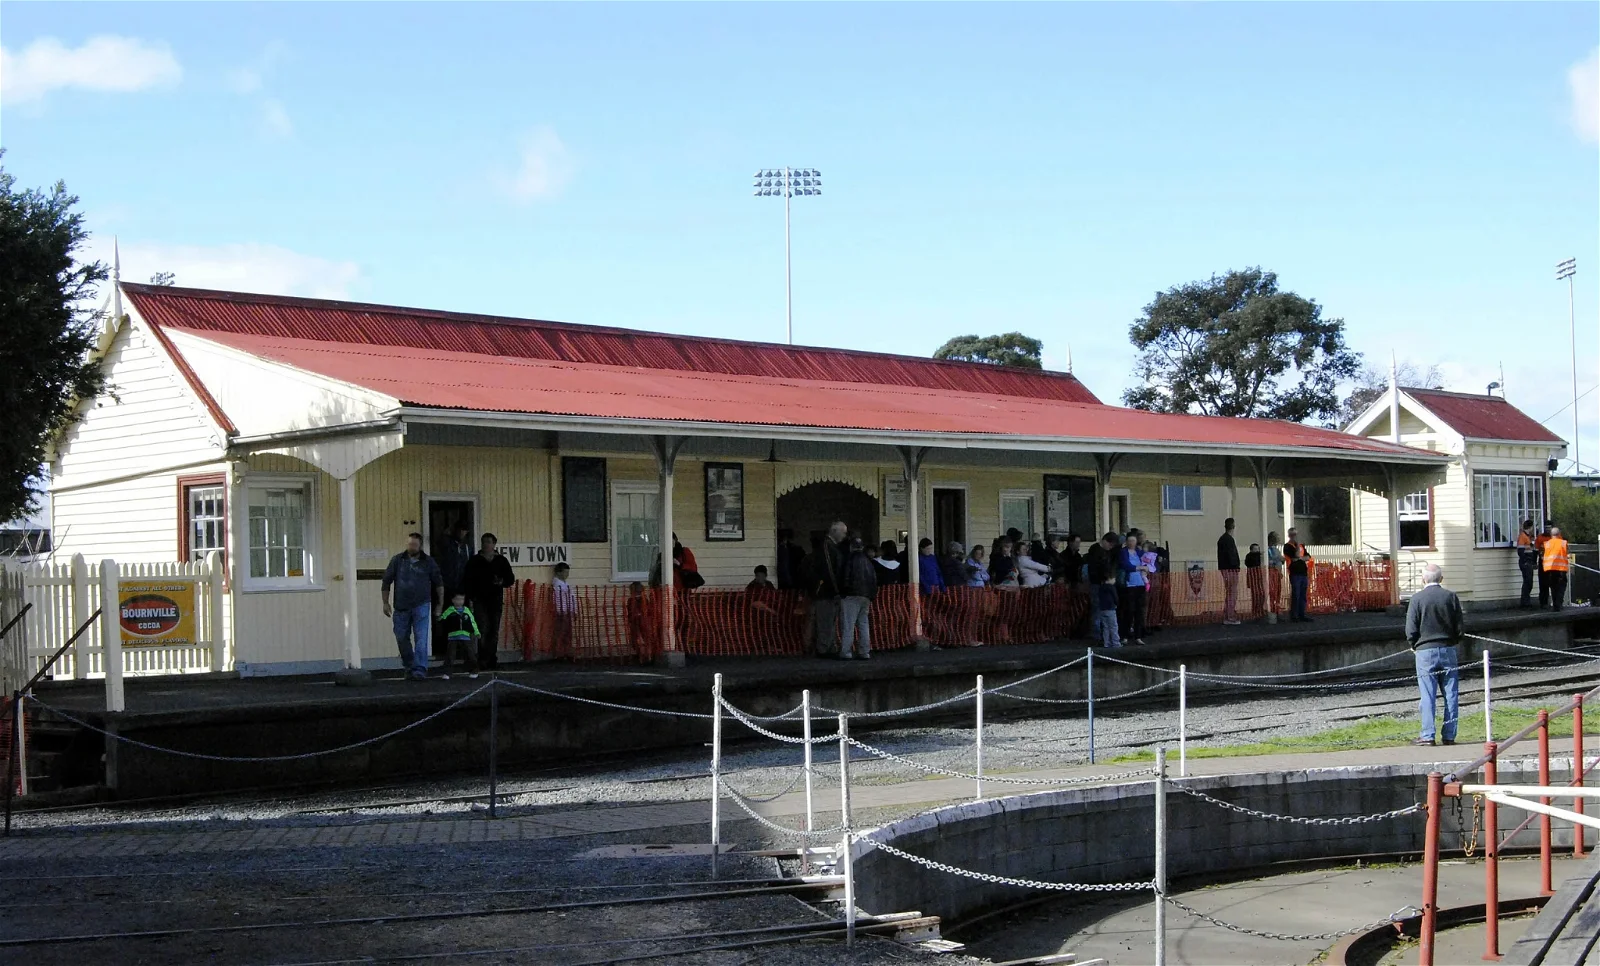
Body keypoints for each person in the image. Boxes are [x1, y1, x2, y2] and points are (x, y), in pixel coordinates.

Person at [1406, 564, 1464, 747]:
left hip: (1424, 651)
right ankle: (1449, 735)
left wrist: (1413, 645)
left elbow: (1411, 629)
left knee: (1427, 694)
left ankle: (1427, 735)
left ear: (1423, 579)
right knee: (1451, 694)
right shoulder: (1451, 597)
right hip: (1448, 649)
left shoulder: (1416, 599)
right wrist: (1453, 641)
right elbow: (1460, 627)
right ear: (1441, 578)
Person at [381, 533, 444, 681]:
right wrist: (385, 602)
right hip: (401, 606)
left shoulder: (428, 562)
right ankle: (409, 665)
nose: (411, 547)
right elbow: (386, 581)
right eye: (409, 544)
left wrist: (440, 604)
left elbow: (439, 583)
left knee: (421, 638)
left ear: (420, 545)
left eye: (414, 545)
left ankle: (420, 670)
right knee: (401, 637)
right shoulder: (397, 560)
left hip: (421, 604)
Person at [462, 532, 516, 671]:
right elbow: (468, 581)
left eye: (488, 542)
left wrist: (501, 581)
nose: (486, 544)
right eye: (484, 542)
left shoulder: (501, 561)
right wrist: (470, 598)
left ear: (494, 544)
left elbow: (510, 579)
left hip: (495, 599)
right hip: (479, 599)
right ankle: (482, 659)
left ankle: (492, 659)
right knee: (482, 628)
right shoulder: (475, 561)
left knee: (494, 630)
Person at [809, 521, 848, 657]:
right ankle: (824, 648)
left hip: (825, 590)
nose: (844, 535)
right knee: (826, 621)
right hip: (826, 591)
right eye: (843, 532)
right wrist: (837, 590)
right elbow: (830, 571)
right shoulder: (828, 547)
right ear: (834, 531)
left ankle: (828, 646)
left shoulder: (827, 547)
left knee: (828, 620)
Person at [840, 537, 878, 659]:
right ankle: (864, 651)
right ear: (862, 547)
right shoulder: (868, 561)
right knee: (863, 623)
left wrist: (842, 592)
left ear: (851, 547)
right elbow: (873, 580)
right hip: (866, 596)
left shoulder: (849, 559)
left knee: (848, 624)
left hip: (851, 595)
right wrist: (871, 595)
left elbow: (845, 578)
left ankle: (846, 651)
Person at [437, 591, 481, 678]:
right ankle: (447, 672)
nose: (460, 601)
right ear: (453, 600)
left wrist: (477, 632)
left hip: (466, 636)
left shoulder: (467, 610)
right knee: (450, 655)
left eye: (462, 599)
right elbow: (442, 619)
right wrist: (439, 618)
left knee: (470, 654)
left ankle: (474, 671)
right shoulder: (449, 610)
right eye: (458, 599)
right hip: (452, 636)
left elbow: (473, 622)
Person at [1118, 534, 1148, 645]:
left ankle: (1138, 636)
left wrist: (1147, 569)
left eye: (1133, 541)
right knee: (1128, 611)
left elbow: (1147, 563)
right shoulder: (1123, 552)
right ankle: (1124, 635)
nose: (1131, 543)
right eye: (1129, 540)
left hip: (1140, 584)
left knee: (1139, 612)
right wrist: (1139, 567)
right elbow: (1126, 565)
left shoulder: (1139, 553)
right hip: (1129, 585)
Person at [1218, 517, 1241, 626]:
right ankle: (1230, 616)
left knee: (1229, 593)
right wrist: (1236, 566)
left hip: (1224, 569)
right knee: (1232, 593)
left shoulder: (1222, 539)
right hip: (1231, 569)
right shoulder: (1229, 540)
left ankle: (1228, 614)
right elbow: (1232, 555)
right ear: (1233, 526)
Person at [552, 562, 577, 654]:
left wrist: (573, 610)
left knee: (567, 633)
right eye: (565, 572)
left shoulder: (565, 584)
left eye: (567, 572)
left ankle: (566, 651)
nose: (567, 575)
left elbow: (571, 598)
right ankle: (560, 652)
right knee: (561, 632)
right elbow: (558, 600)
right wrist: (561, 611)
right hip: (562, 612)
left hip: (567, 611)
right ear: (559, 573)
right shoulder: (557, 586)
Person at [1544, 525, 1570, 611]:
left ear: (1551, 535)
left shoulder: (1547, 544)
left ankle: (1555, 604)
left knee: (1553, 587)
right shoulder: (1563, 543)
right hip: (1561, 569)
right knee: (1561, 587)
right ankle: (1559, 604)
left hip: (1550, 569)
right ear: (1559, 534)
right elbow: (1567, 553)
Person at [1515, 519, 1538, 609]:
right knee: (1527, 582)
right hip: (1525, 562)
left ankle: (1526, 601)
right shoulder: (1523, 537)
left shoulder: (1528, 536)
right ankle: (1525, 603)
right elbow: (1520, 550)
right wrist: (1524, 561)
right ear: (1530, 527)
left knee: (1529, 582)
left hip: (1528, 561)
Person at [1094, 573, 1121, 648]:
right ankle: (1116, 643)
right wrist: (1117, 604)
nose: (1115, 580)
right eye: (1114, 579)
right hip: (1111, 609)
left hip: (1102, 609)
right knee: (1113, 626)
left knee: (1105, 627)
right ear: (1110, 579)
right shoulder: (1111, 587)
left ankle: (1107, 643)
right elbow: (1116, 598)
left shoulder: (1100, 588)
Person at [1286, 543, 1311, 622]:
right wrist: (1301, 557)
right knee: (1296, 595)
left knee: (1302, 595)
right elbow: (1294, 558)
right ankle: (1294, 615)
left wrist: (1300, 558)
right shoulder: (1288, 547)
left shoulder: (1302, 546)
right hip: (1295, 574)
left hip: (1303, 573)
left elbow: (1308, 557)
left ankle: (1302, 614)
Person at [1244, 543, 1265, 619]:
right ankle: (1256, 611)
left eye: (1257, 549)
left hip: (1258, 576)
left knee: (1261, 594)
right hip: (1254, 576)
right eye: (1255, 549)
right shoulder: (1249, 556)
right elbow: (1249, 563)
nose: (1257, 551)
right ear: (1251, 549)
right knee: (1255, 595)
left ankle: (1260, 610)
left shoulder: (1258, 556)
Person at [1537, 520, 1555, 608]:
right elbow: (1536, 550)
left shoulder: (1556, 538)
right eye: (1546, 528)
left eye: (1549, 528)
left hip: (1553, 563)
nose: (1547, 530)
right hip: (1543, 563)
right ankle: (1543, 602)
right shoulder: (1540, 538)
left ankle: (1556, 602)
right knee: (1543, 584)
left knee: (1554, 584)